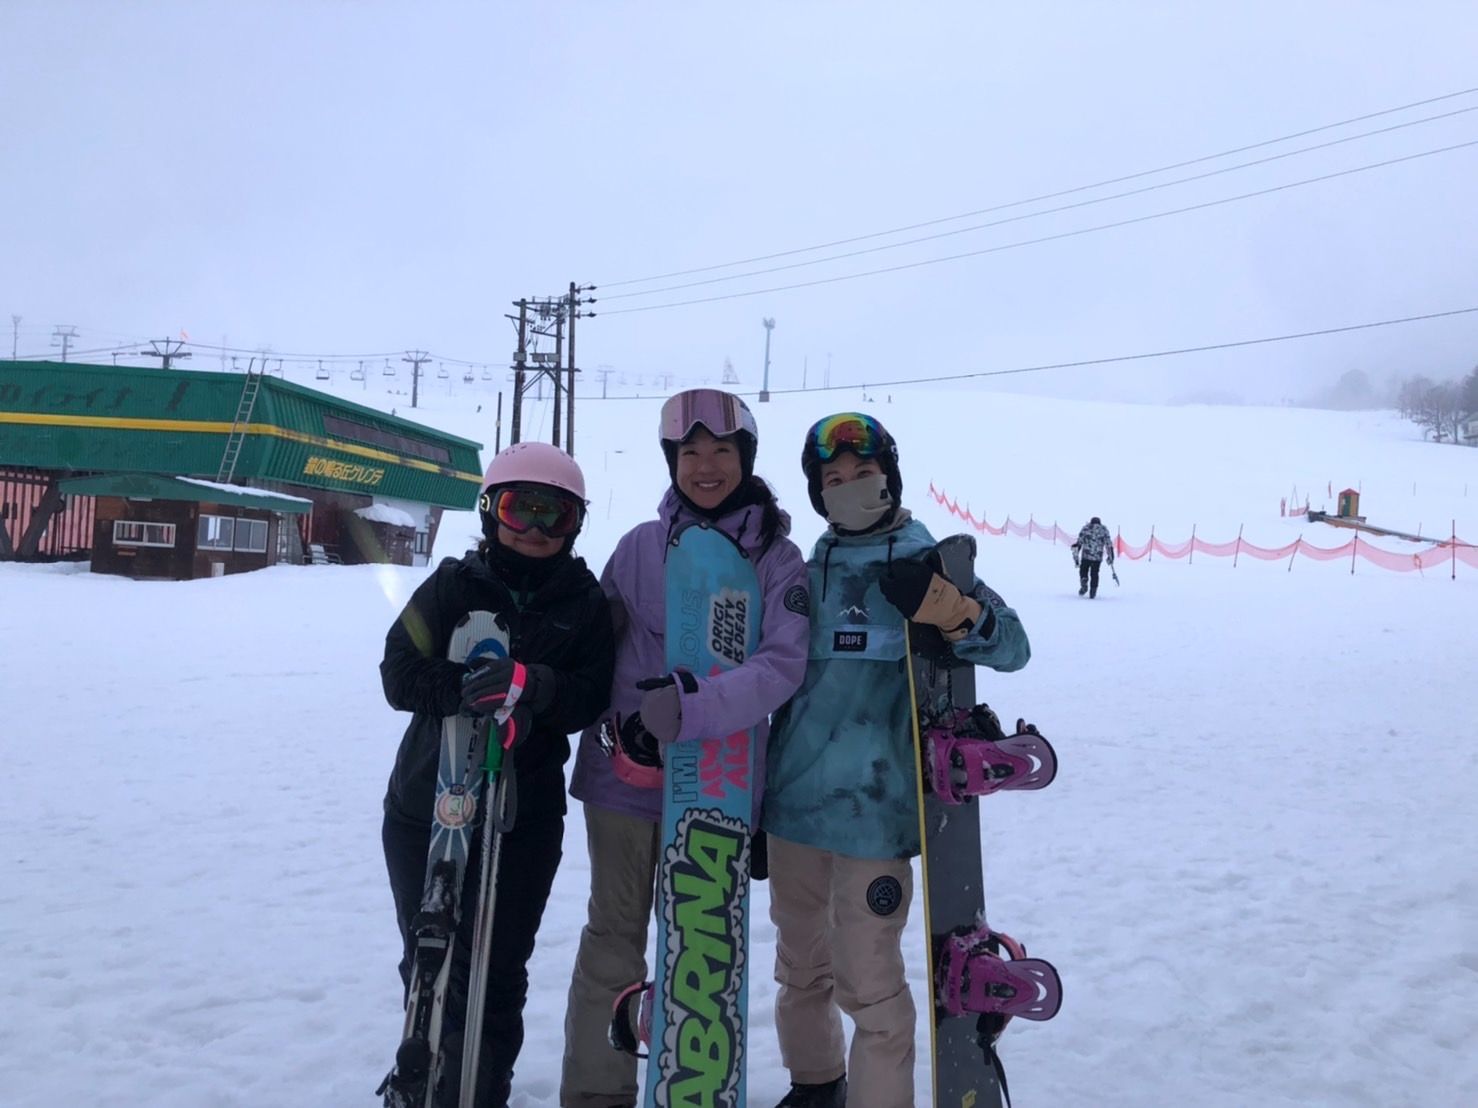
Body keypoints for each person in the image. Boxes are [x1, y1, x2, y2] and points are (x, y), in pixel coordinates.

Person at [761, 412, 1031, 1108]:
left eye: (863, 472)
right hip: (793, 813)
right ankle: (815, 1084)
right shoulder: (804, 570)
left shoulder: (926, 561)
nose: (848, 486)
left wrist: (951, 609)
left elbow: (1014, 646)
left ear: (890, 477)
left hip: (875, 820)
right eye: (833, 479)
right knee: (800, 969)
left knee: (871, 988)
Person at [560, 388, 810, 1108]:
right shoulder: (638, 546)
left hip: (717, 781)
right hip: (623, 778)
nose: (705, 466)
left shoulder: (777, 560)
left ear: (745, 459)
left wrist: (691, 709)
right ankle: (597, 1094)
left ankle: (693, 1079)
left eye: (721, 451)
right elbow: (594, 644)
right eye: (689, 451)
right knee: (613, 935)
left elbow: (781, 667)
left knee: (698, 939)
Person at [381, 441, 616, 1108]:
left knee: (495, 970)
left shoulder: (582, 601)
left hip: (523, 816)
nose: (536, 530)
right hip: (427, 803)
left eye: (555, 515)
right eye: (520, 510)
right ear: (490, 513)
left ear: (576, 523)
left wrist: (532, 686)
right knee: (430, 956)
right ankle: (423, 1076)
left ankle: (480, 1089)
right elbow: (398, 672)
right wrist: (460, 687)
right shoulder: (453, 586)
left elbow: (590, 694)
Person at [1071, 515, 1114, 598]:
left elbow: (1079, 541)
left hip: (1086, 555)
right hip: (1097, 557)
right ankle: (1093, 591)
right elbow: (1108, 544)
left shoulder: (1086, 528)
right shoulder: (1104, 530)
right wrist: (1111, 556)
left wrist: (1076, 552)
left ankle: (1084, 579)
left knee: (1083, 569)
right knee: (1095, 573)